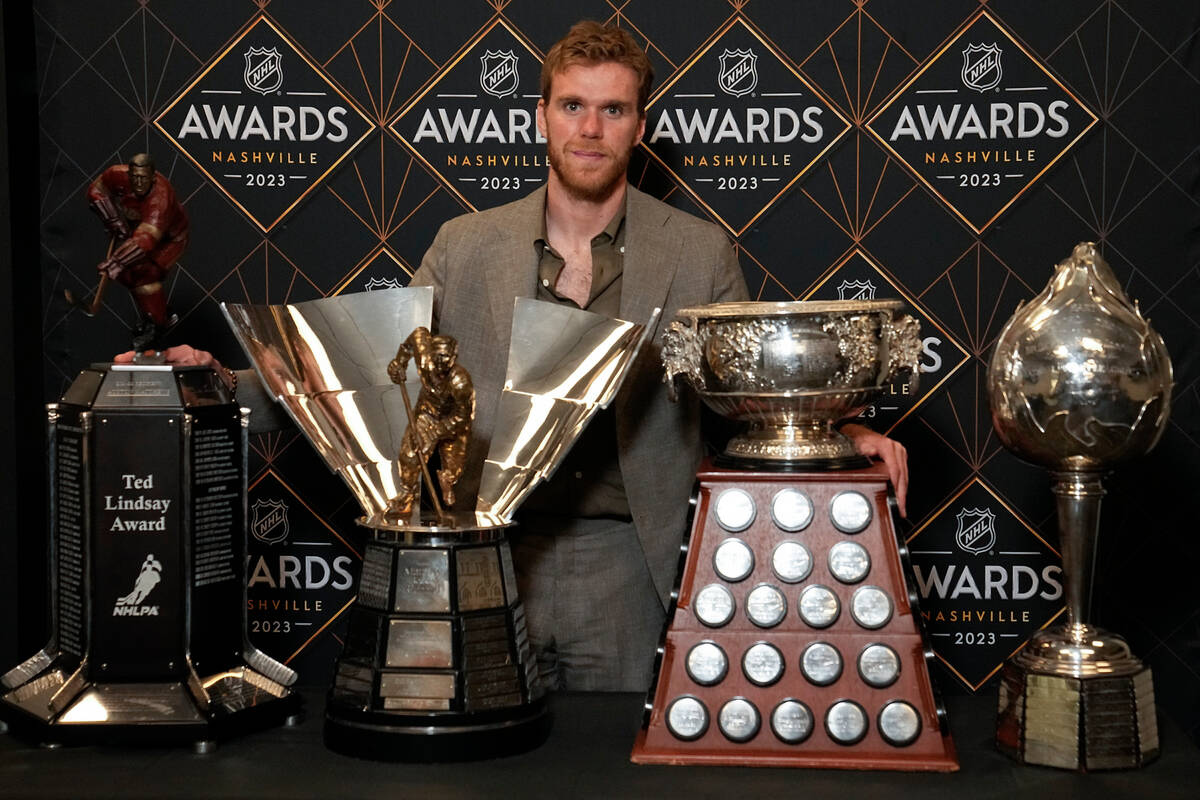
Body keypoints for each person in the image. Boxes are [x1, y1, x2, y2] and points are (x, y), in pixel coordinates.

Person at [122, 21, 908, 692]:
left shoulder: (698, 252)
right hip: (487, 553)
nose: (590, 129)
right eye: (572, 106)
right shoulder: (465, 246)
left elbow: (737, 391)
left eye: (612, 110)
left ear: (640, 124)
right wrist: (213, 385)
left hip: (631, 564)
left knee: (618, 774)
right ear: (541, 116)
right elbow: (371, 378)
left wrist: (834, 442)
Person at [87, 152, 189, 350]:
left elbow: (146, 241)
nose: (138, 182)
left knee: (145, 274)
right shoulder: (117, 174)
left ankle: (157, 324)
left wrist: (116, 262)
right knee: (128, 276)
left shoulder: (161, 197)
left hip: (170, 240)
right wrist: (113, 218)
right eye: (134, 177)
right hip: (141, 233)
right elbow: (95, 191)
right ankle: (157, 315)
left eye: (143, 178)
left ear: (153, 177)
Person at [386, 327, 475, 516]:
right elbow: (414, 338)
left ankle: (447, 481)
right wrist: (398, 364)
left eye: (446, 358)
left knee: (455, 466)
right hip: (427, 412)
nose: (441, 363)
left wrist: (435, 432)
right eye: (437, 357)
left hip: (454, 421)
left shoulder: (460, 382)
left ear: (454, 357)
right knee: (409, 454)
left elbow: (462, 416)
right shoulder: (424, 358)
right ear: (431, 353)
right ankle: (407, 494)